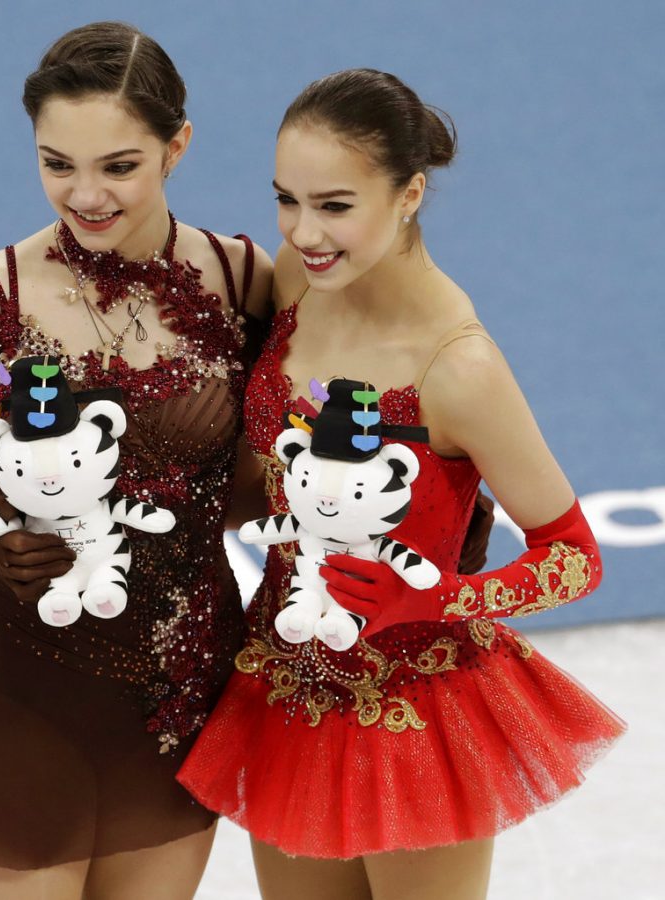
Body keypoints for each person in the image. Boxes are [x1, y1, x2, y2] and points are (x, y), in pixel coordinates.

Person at [178, 69, 626, 900]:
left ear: (410, 193)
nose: (304, 231)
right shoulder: (296, 279)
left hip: (414, 710)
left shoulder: (458, 367)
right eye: (287, 199)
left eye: (335, 206)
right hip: (282, 688)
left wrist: (432, 600)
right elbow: (267, 477)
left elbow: (574, 557)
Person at [0, 21, 275, 900]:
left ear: (177, 145)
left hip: (183, 681)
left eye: (118, 166)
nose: (83, 194)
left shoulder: (246, 281)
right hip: (35, 688)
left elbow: (253, 482)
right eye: (56, 163)